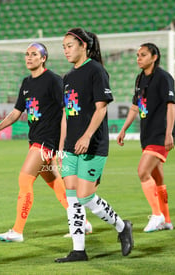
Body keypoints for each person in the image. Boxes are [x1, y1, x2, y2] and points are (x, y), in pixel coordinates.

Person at [0, 42, 92, 243]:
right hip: (36, 139)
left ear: (43, 58)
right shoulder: (26, 83)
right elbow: (17, 112)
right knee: (55, 182)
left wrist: (61, 146)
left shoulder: (53, 80)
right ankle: (82, 222)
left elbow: (65, 111)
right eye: (26, 54)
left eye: (34, 54)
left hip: (47, 141)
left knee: (25, 180)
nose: (29, 57)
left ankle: (17, 230)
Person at [55, 27, 133, 263]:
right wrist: (60, 147)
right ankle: (79, 250)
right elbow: (66, 115)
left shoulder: (96, 71)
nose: (66, 50)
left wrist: (87, 136)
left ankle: (122, 226)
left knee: (85, 196)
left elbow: (102, 108)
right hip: (70, 146)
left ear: (83, 46)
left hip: (93, 144)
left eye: (70, 45)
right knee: (71, 197)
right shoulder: (67, 78)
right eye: (64, 47)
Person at [117, 43, 175, 232]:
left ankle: (156, 214)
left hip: (160, 133)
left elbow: (170, 106)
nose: (138, 58)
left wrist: (169, 133)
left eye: (143, 55)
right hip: (147, 133)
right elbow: (135, 106)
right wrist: (124, 128)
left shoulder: (164, 78)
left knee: (142, 172)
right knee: (157, 179)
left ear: (154, 57)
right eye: (137, 55)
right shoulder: (140, 78)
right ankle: (166, 220)